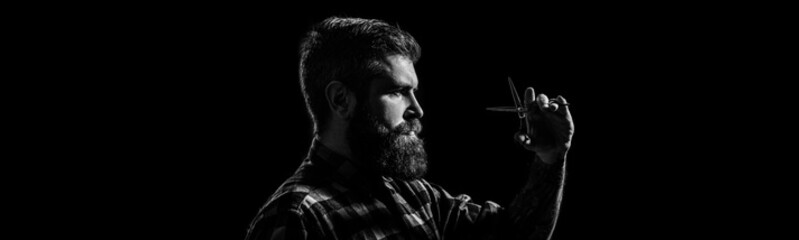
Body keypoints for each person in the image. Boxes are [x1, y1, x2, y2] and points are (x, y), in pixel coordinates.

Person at [245, 16, 574, 240]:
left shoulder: (413, 194)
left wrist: (550, 157)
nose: (417, 109)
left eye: (413, 91)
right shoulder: (296, 218)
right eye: (397, 91)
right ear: (341, 100)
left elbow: (516, 234)